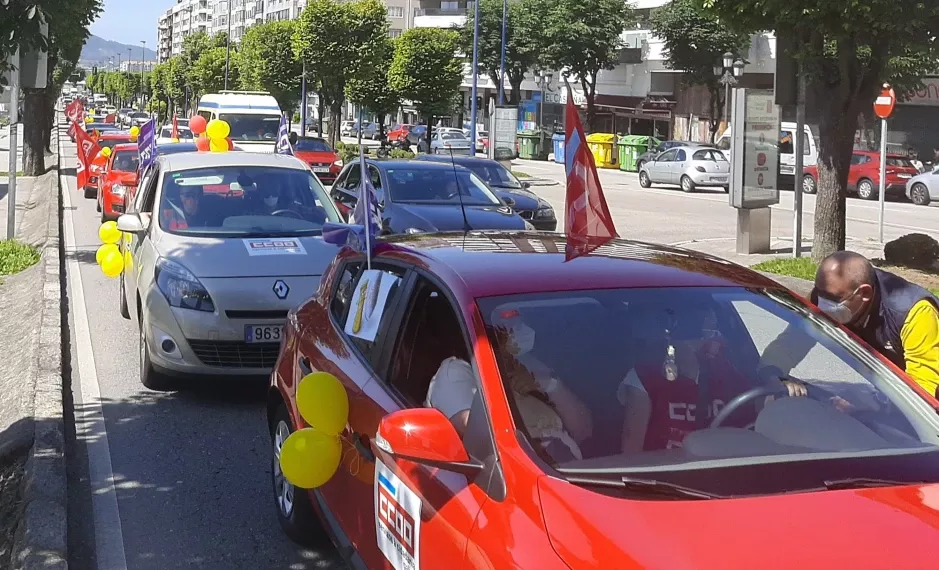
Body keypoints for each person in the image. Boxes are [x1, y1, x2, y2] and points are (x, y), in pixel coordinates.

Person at [762, 251, 939, 398]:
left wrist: (873, 404)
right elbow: (792, 342)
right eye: (819, 292)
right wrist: (771, 373)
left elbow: (922, 389)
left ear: (864, 294)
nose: (822, 303)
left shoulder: (915, 312)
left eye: (833, 298)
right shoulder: (821, 296)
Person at [425, 308, 593, 462]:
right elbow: (482, 440)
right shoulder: (456, 373)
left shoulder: (526, 363)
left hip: (572, 470)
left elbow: (583, 429)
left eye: (519, 322)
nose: (519, 330)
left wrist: (548, 385)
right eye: (506, 325)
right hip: (525, 475)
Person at [617, 305, 757, 453]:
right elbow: (631, 450)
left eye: (714, 333)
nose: (715, 343)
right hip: (665, 471)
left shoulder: (731, 376)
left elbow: (752, 435)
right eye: (705, 334)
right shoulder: (646, 377)